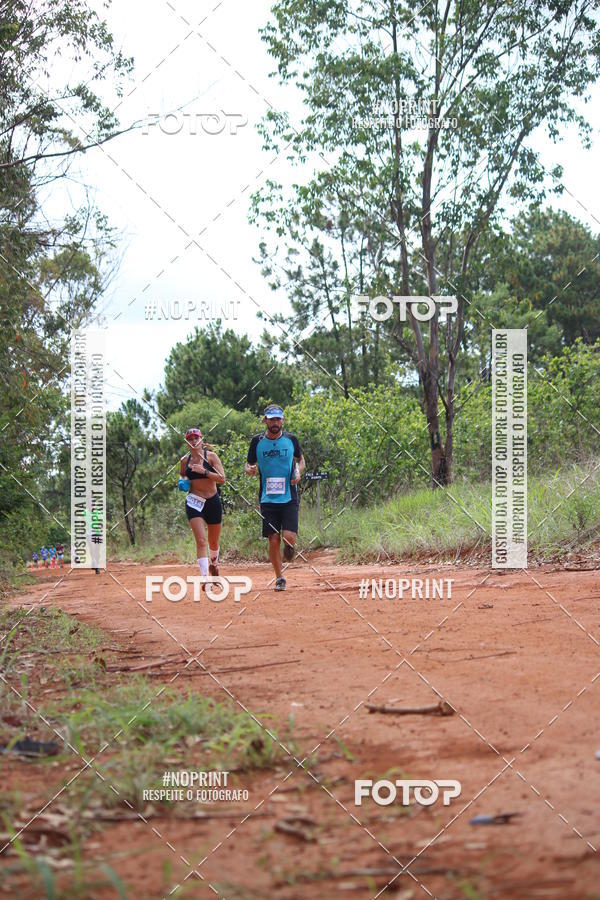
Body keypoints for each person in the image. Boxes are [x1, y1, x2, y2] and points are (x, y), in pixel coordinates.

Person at [245, 404, 305, 592]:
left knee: (289, 537)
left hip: (289, 496)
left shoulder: (291, 440)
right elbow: (248, 465)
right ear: (265, 421)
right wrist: (250, 470)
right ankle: (279, 577)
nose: (275, 423)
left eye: (278, 419)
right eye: (271, 419)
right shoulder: (257, 442)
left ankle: (289, 545)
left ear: (283, 420)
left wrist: (297, 471)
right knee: (273, 539)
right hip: (267, 499)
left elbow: (301, 460)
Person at [179, 428, 226, 581]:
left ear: (201, 439)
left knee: (213, 542)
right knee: (201, 541)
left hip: (212, 500)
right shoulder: (184, 461)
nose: (193, 441)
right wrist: (183, 481)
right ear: (187, 442)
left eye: (196, 438)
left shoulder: (211, 457)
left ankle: (215, 564)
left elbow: (222, 479)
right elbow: (183, 474)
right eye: (190, 439)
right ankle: (205, 579)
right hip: (194, 502)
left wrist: (204, 472)